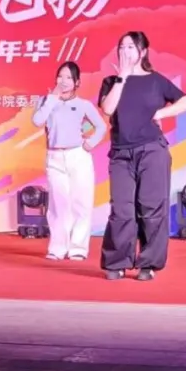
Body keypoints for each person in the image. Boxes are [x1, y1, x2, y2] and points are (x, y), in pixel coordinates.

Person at [98, 31, 186, 281]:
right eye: (121, 47)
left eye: (130, 46)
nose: (125, 51)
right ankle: (117, 262)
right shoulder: (111, 81)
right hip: (121, 153)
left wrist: (160, 114)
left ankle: (148, 263)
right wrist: (122, 76)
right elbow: (108, 109)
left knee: (151, 208)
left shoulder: (156, 81)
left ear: (143, 51)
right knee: (121, 209)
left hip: (152, 150)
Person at [31, 62, 107, 261]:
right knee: (58, 204)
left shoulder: (83, 104)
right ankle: (57, 248)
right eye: (60, 76)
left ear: (77, 82)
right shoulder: (46, 101)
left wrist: (90, 143)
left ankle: (78, 248)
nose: (63, 81)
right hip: (54, 157)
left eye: (68, 78)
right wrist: (52, 99)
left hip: (77, 156)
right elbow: (37, 121)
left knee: (81, 203)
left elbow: (101, 127)